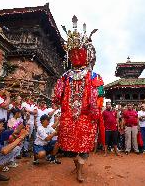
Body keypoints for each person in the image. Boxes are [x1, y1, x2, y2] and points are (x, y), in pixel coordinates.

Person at [53, 21, 103, 182]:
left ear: (86, 54)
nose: (75, 56)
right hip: (70, 116)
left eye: (78, 52)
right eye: (72, 53)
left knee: (84, 146)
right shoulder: (65, 76)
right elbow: (57, 96)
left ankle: (79, 170)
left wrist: (96, 111)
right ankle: (78, 167)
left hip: (86, 116)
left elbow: (99, 95)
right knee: (72, 147)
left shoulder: (94, 76)